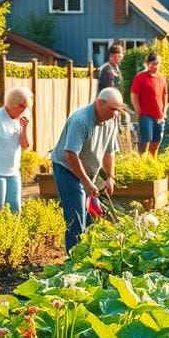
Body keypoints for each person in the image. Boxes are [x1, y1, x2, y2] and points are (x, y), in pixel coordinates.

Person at [51, 87, 124, 252]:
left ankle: (87, 256)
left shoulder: (112, 118)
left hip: (89, 171)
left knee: (91, 216)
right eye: (112, 109)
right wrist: (87, 182)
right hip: (67, 168)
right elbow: (70, 154)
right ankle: (73, 260)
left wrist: (110, 177)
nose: (114, 113)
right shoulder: (81, 120)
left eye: (117, 110)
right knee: (77, 217)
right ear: (99, 103)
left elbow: (109, 150)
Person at [130, 51, 168, 155]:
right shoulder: (140, 77)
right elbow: (134, 96)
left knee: (156, 143)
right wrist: (138, 111)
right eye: (153, 63)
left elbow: (165, 94)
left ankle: (153, 165)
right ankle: (142, 165)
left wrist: (164, 111)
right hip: (146, 115)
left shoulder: (162, 78)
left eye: (157, 63)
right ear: (147, 64)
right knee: (144, 143)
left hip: (159, 116)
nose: (155, 66)